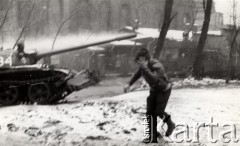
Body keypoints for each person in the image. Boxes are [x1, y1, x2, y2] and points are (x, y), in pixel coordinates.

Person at [124, 48, 175, 143]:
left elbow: (155, 78)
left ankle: (170, 124)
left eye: (139, 60)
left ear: (143, 58)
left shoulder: (156, 64)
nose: (138, 63)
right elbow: (137, 74)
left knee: (159, 112)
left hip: (163, 90)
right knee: (149, 113)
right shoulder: (143, 66)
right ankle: (153, 135)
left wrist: (145, 67)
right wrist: (129, 83)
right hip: (154, 90)